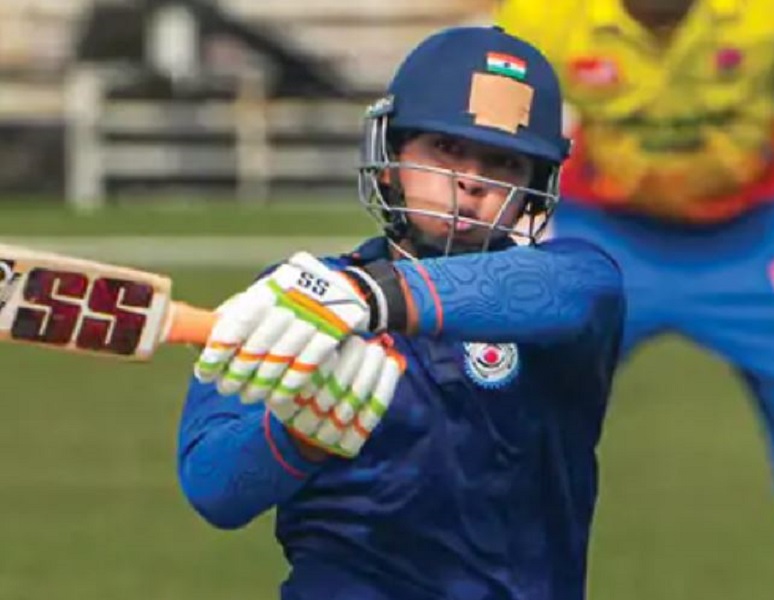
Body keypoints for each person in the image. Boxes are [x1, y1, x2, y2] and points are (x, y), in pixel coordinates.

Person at [177, 26, 625, 600]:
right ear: (390, 160)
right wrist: (299, 436)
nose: (471, 181)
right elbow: (214, 490)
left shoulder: (574, 280)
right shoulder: (295, 298)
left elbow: (572, 294)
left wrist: (371, 296)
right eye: (446, 149)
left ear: (534, 190)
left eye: (503, 163)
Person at [496, 1, 774, 599]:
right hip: (601, 232)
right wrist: (515, 259)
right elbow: (498, 140)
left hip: (764, 233)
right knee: (496, 406)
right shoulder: (540, 14)